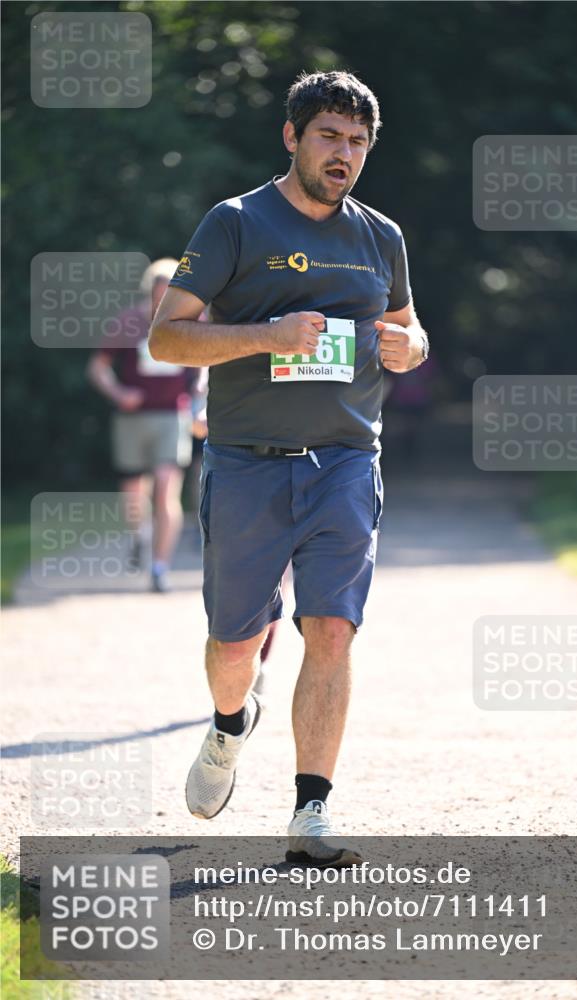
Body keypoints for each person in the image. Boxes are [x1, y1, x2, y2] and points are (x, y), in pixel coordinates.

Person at [149, 71, 430, 865]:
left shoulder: (382, 237)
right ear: (293, 138)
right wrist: (267, 334)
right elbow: (167, 339)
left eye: (357, 142)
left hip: (344, 460)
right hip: (247, 463)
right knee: (235, 645)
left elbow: (412, 333)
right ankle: (231, 724)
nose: (344, 154)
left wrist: (412, 349)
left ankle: (311, 812)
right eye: (329, 137)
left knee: (331, 629)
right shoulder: (236, 222)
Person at [87, 258, 199, 593]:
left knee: (166, 488)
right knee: (134, 494)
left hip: (172, 416)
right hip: (133, 419)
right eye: (159, 293)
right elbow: (98, 367)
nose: (163, 300)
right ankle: (139, 536)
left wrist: (200, 389)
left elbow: (207, 362)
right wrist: (118, 392)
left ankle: (160, 566)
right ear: (150, 292)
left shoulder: (192, 321)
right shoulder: (130, 321)